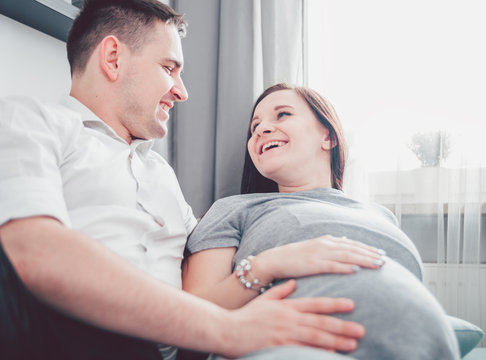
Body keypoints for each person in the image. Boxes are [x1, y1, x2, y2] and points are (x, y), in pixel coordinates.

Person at [0, 1, 378, 360]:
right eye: (169, 69)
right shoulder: (32, 122)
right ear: (113, 58)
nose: (182, 92)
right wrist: (227, 329)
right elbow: (35, 253)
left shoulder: (161, 175)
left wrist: (268, 265)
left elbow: (208, 273)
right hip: (58, 336)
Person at [182, 83, 461, 360]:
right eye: (254, 126)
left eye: (282, 115)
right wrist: (265, 266)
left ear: (328, 137)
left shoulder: (380, 214)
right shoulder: (232, 209)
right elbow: (190, 321)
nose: (261, 129)